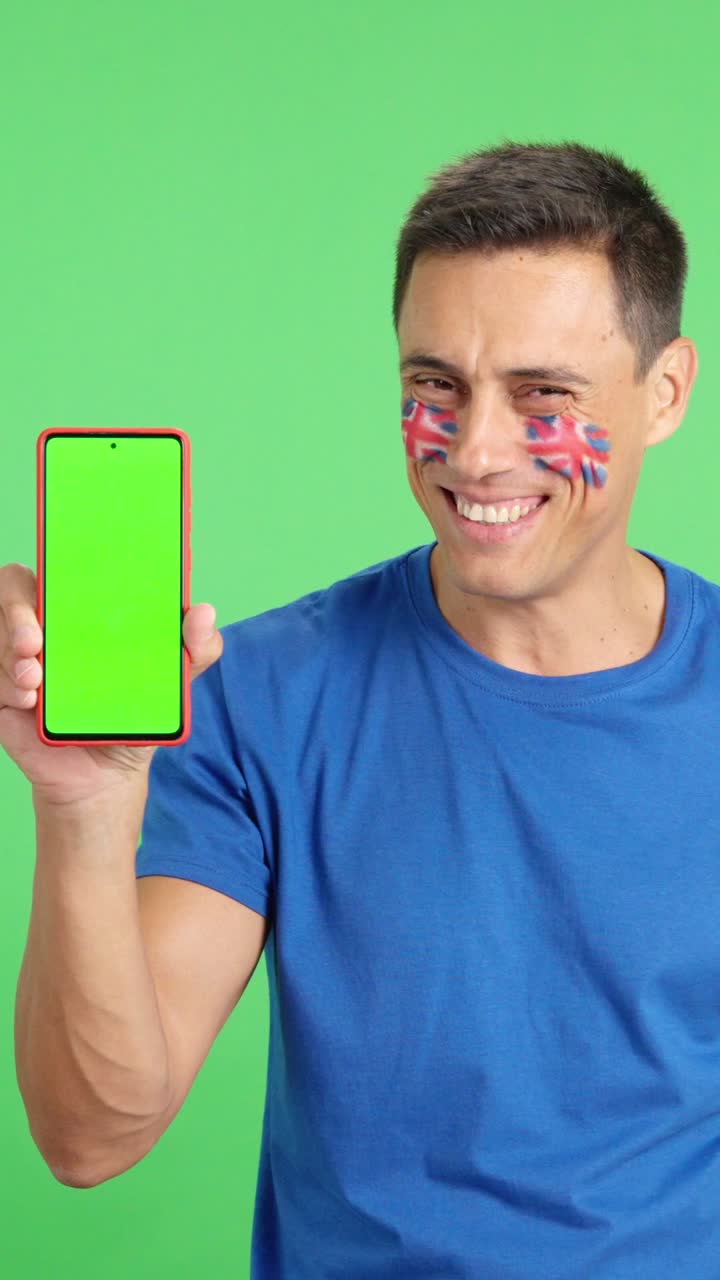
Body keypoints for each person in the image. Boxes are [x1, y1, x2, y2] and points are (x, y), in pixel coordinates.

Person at [7, 137, 715, 1278]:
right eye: (434, 387)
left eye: (543, 396)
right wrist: (85, 805)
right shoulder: (262, 697)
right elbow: (91, 1134)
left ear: (666, 390)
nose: (477, 452)